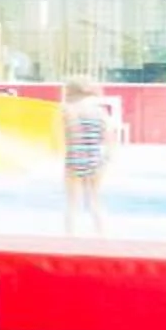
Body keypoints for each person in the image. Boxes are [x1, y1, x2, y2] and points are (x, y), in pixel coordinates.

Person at [61, 74, 116, 237]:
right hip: (95, 157)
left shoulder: (68, 109)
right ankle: (102, 237)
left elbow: (68, 136)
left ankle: (70, 239)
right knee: (95, 201)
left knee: (72, 203)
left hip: (74, 157)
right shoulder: (100, 111)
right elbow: (109, 138)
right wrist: (106, 160)